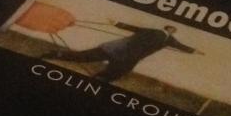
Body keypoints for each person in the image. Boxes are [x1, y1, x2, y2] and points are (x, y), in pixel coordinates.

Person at [41, 20, 196, 81]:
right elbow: (180, 46)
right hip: (126, 55)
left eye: (173, 30)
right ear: (169, 29)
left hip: (117, 49)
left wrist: (118, 24)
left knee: (85, 57)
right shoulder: (165, 37)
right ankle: (99, 78)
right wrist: (193, 51)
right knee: (115, 71)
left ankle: (57, 54)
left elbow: (133, 27)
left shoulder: (165, 37)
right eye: (172, 29)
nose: (172, 31)